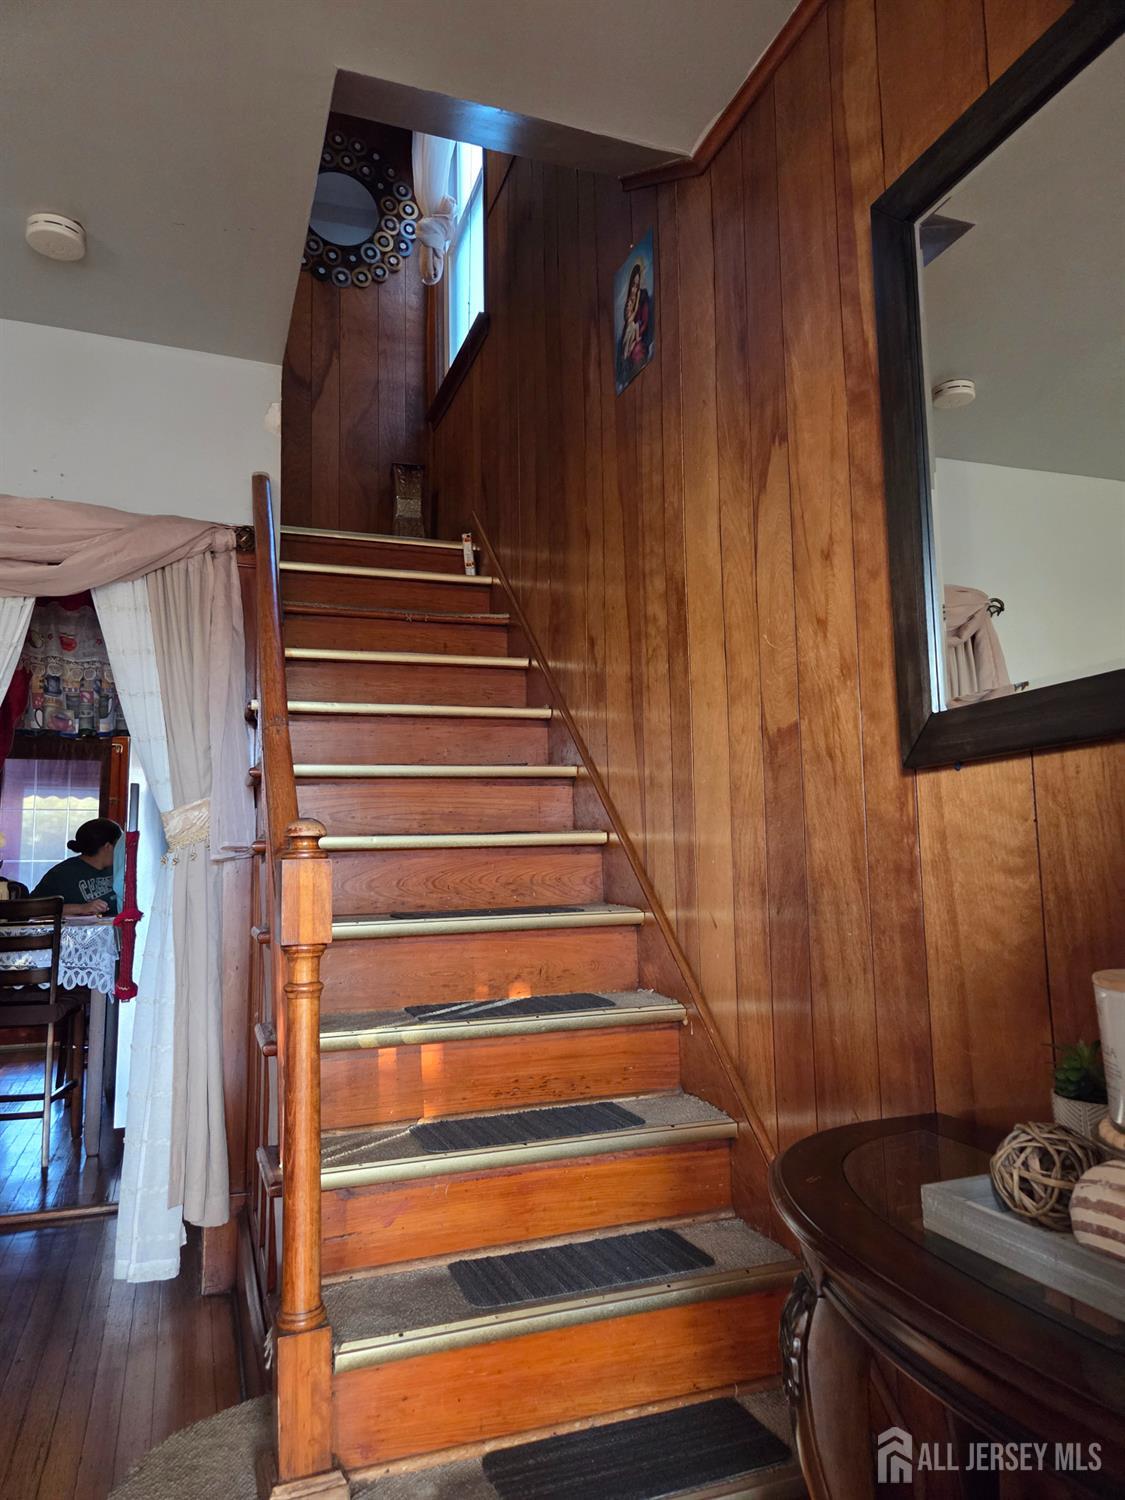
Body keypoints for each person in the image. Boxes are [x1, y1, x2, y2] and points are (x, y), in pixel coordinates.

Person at [32, 818, 121, 917]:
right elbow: (31, 908)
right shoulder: (62, 873)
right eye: (120, 845)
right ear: (108, 847)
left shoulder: (120, 869)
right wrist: (81, 908)